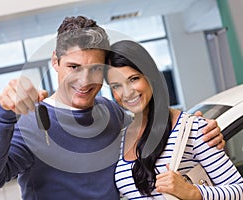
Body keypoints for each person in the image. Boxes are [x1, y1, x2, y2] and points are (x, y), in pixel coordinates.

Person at [0, 16, 224, 200]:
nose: (85, 81)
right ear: (55, 61)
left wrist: (200, 129)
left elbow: (152, 132)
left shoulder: (111, 112)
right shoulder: (31, 122)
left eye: (95, 69)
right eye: (74, 67)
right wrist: (2, 116)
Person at [104, 40, 243, 199]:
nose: (127, 92)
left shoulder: (193, 129)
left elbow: (239, 191)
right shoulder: (120, 140)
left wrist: (192, 192)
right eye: (116, 86)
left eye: (133, 79)